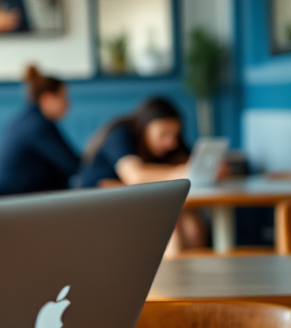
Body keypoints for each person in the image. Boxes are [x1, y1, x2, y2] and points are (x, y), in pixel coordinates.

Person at [79, 97, 207, 254]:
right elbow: (135, 176)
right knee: (167, 222)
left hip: (137, 198)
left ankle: (193, 272)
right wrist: (181, 171)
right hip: (97, 205)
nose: (170, 142)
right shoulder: (121, 134)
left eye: (174, 135)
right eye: (163, 134)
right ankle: (174, 275)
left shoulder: (171, 144)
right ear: (145, 126)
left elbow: (191, 164)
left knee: (190, 219)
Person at [0, 66, 80, 196]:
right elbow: (73, 165)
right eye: (64, 98)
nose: (68, 105)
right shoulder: (38, 126)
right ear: (47, 98)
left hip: (10, 201)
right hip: (14, 206)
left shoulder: (27, 120)